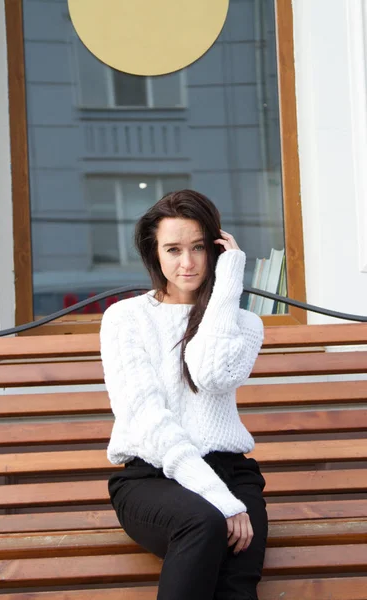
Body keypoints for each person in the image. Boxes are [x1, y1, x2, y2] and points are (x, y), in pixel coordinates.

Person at [100, 189, 267, 600]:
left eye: (197, 248)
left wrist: (227, 288)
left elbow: (211, 374)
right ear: (154, 253)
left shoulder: (243, 324)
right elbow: (148, 421)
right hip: (151, 477)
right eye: (173, 249)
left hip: (231, 472)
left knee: (236, 582)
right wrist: (218, 500)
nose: (187, 262)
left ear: (215, 251)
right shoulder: (127, 318)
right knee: (204, 523)